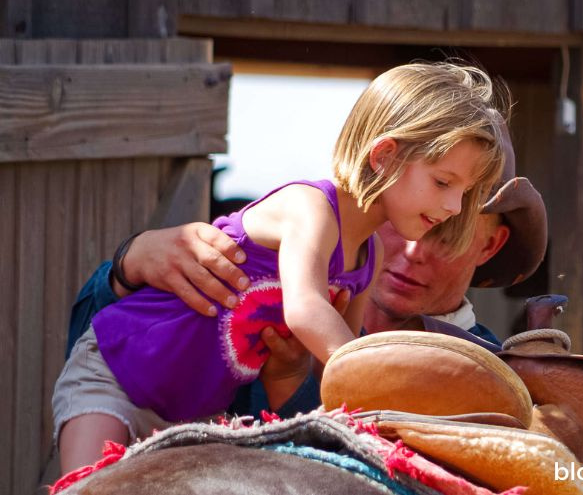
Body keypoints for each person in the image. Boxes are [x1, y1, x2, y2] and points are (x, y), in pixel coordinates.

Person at [53, 62, 508, 474]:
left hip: (194, 414)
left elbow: (335, 375)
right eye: (444, 183)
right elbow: (307, 312)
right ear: (384, 156)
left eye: (464, 195)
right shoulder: (310, 208)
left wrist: (359, 408)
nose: (452, 206)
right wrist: (389, 389)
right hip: (118, 374)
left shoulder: (370, 256)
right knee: (86, 486)